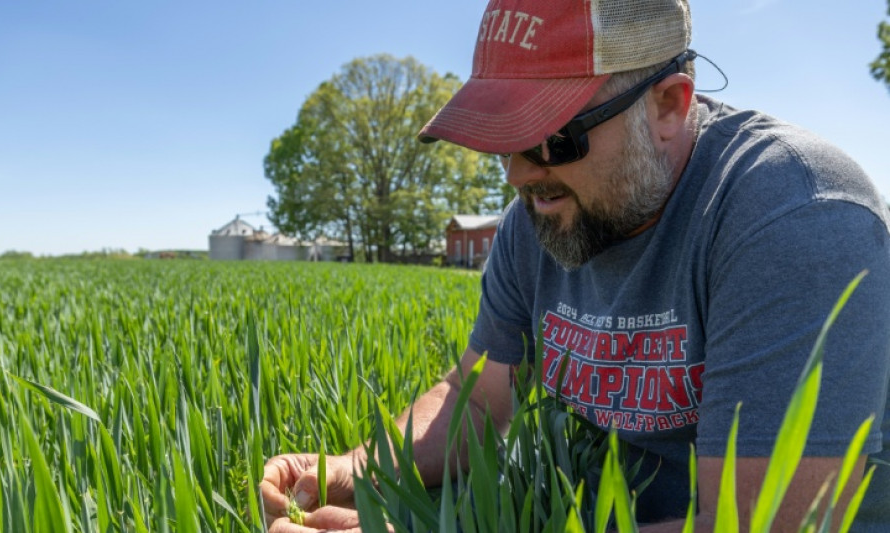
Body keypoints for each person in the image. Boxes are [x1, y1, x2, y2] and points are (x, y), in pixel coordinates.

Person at [261, 0, 890, 530]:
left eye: (551, 139)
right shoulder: (539, 216)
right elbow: (479, 401)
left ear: (669, 103)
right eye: (502, 139)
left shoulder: (795, 214)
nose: (517, 175)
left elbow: (759, 522)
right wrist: (347, 471)